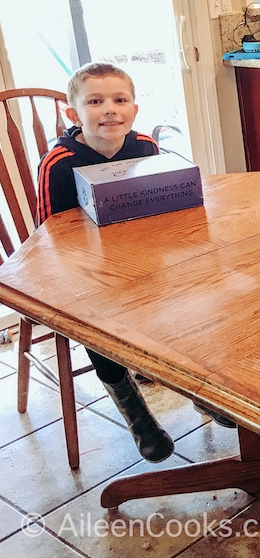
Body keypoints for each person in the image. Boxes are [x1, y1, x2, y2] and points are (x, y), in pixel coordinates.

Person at [36, 63, 233, 464]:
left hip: (146, 262)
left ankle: (197, 390)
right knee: (97, 326)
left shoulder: (144, 146)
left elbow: (167, 207)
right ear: (74, 114)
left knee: (190, 305)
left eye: (119, 100)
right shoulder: (58, 163)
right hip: (86, 273)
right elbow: (50, 238)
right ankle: (135, 411)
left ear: (134, 109)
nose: (109, 109)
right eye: (95, 101)